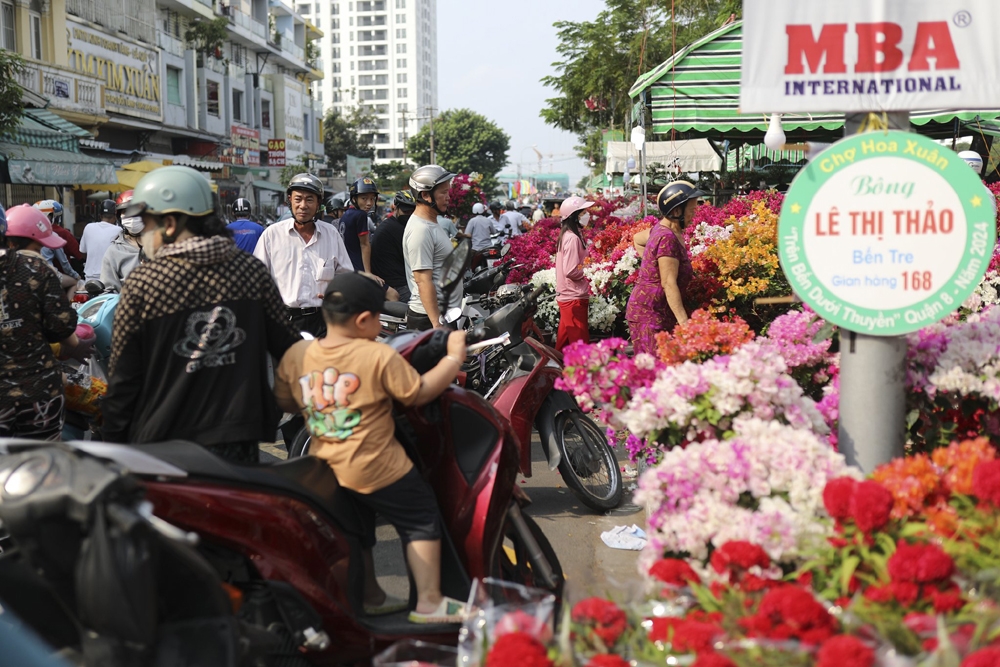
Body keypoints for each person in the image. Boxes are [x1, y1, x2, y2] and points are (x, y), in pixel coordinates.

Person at [274, 272, 469, 623]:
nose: (380, 325)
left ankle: (370, 595)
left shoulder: (297, 354)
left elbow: (286, 402)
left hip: (326, 468)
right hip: (379, 467)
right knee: (420, 515)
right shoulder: (376, 354)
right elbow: (419, 392)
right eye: (378, 318)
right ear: (364, 320)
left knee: (357, 530)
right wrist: (453, 358)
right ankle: (428, 601)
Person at [103, 166, 299, 462]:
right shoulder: (249, 271)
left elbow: (123, 380)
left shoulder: (144, 283)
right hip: (239, 439)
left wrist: (113, 449)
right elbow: (288, 347)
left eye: (146, 223)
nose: (143, 234)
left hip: (164, 444)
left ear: (169, 224)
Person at [0, 205, 91, 439]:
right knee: (42, 468)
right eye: (38, 247)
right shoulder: (37, 270)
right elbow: (61, 328)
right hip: (38, 396)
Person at [253, 173, 355, 337]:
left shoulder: (331, 234)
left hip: (323, 321)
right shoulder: (272, 235)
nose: (303, 205)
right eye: (298, 199)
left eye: (309, 199)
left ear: (318, 204)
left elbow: (346, 276)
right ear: (289, 201)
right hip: (283, 321)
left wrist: (336, 293)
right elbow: (256, 279)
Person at [625, 181, 699, 356]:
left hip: (657, 312)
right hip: (651, 315)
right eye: (692, 211)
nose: (694, 215)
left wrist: (651, 264)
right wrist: (684, 323)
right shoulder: (667, 238)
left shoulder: (663, 229)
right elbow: (668, 282)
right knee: (655, 370)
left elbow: (637, 238)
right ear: (676, 211)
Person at [403, 165, 462, 331]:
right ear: (425, 195)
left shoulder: (432, 223)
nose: (448, 197)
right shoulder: (421, 230)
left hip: (442, 315)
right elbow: (423, 281)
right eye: (443, 192)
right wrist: (436, 323)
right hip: (429, 319)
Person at [555, 196, 595, 351]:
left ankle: (554, 373)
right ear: (574, 216)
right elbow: (571, 270)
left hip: (569, 296)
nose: (586, 215)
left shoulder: (569, 235)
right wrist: (590, 271)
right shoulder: (572, 238)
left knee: (563, 346)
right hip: (573, 298)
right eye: (582, 212)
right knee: (580, 349)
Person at [371, 190, 417, 303]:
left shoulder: (392, 224)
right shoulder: (395, 229)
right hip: (397, 285)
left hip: (397, 281)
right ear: (395, 208)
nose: (409, 215)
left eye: (412, 211)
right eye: (406, 211)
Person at [100, 190, 145, 291]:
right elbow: (109, 293)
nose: (133, 217)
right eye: (127, 212)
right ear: (119, 217)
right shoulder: (113, 252)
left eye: (136, 211)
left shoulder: (159, 245)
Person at [33, 201, 81, 281]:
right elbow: (66, 262)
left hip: (31, 275)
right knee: (74, 283)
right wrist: (77, 276)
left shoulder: (29, 234)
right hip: (51, 275)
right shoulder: (55, 235)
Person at [79, 199, 123, 281]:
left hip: (90, 278)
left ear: (100, 216)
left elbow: (83, 252)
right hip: (109, 278)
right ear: (115, 217)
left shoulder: (88, 227)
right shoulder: (119, 230)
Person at [342, 178, 379, 273]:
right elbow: (365, 245)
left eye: (372, 198)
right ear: (354, 199)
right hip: (358, 269)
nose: (369, 203)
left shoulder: (346, 214)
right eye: (364, 198)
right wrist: (368, 273)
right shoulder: (360, 215)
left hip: (346, 266)